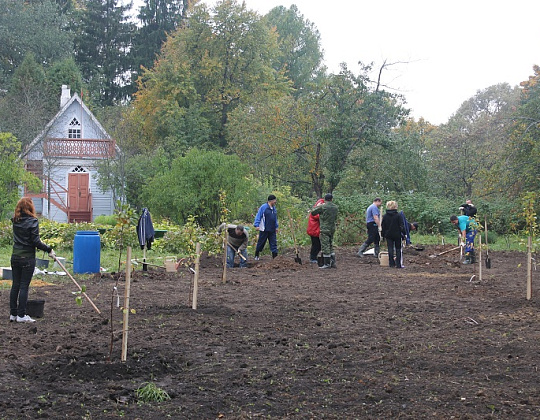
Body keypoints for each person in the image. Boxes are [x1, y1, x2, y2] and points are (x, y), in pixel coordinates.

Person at [10, 197, 55, 323]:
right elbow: (35, 242)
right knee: (24, 286)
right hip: (27, 258)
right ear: (30, 207)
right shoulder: (33, 221)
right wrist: (49, 250)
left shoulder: (15, 221)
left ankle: (13, 314)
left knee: (15, 286)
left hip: (15, 257)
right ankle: (22, 315)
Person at [310, 193, 339, 269]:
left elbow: (313, 212)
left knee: (325, 246)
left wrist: (318, 206)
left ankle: (327, 263)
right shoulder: (335, 207)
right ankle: (333, 262)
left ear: (325, 199)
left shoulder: (323, 207)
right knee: (330, 245)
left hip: (324, 229)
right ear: (332, 199)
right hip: (332, 228)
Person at [254, 194, 279, 260]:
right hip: (264, 229)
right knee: (261, 242)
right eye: (274, 200)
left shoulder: (274, 208)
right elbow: (258, 216)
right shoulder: (264, 207)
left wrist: (276, 227)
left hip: (272, 229)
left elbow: (275, 218)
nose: (275, 202)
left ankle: (275, 257)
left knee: (273, 243)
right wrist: (256, 225)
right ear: (271, 201)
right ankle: (256, 255)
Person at [381, 201, 405, 268]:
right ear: (395, 206)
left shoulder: (385, 216)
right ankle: (398, 264)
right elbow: (401, 225)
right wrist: (404, 233)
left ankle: (391, 263)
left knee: (390, 248)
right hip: (397, 234)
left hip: (388, 234)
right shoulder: (398, 215)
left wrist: (383, 235)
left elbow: (383, 226)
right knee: (398, 249)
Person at [307, 198, 325, 263]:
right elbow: (319, 217)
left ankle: (314, 257)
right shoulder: (315, 212)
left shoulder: (316, 211)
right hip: (313, 231)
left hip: (315, 231)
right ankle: (312, 258)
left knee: (318, 245)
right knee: (316, 245)